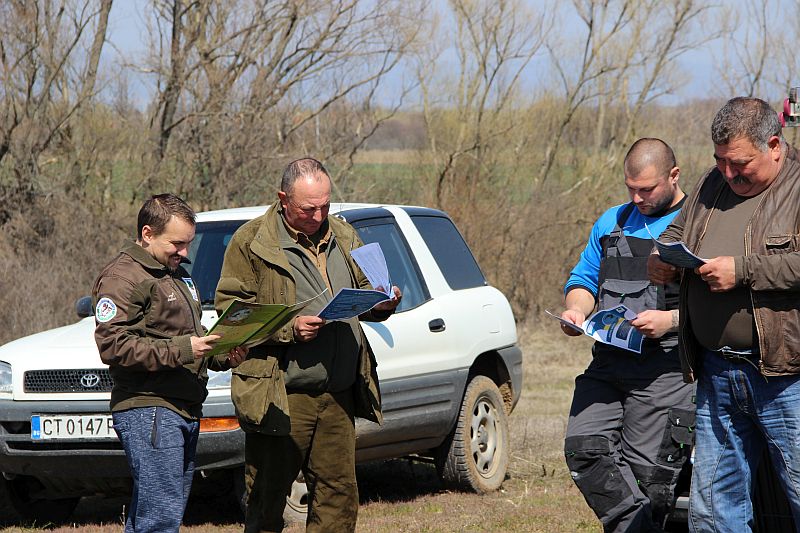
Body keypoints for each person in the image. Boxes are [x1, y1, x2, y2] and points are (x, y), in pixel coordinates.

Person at [215, 157, 402, 533]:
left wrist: (382, 301)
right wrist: (289, 328)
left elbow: (368, 289)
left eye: (325, 206)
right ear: (283, 199)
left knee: (338, 500)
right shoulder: (252, 243)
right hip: (281, 395)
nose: (319, 216)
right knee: (266, 501)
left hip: (338, 393)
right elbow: (234, 317)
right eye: (308, 208)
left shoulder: (343, 235)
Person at [648, 97, 800, 532]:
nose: (728, 173)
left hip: (786, 376)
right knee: (713, 510)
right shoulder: (712, 183)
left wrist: (744, 271)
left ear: (774, 144)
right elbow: (676, 233)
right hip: (717, 371)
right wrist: (662, 258)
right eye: (720, 161)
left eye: (740, 163)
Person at [560, 138, 695, 532]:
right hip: (607, 364)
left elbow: (717, 303)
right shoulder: (611, 222)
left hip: (666, 369)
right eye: (630, 188)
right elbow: (584, 279)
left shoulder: (696, 224)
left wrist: (669, 320)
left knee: (648, 480)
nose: (637, 198)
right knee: (584, 450)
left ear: (674, 175)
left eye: (647, 189)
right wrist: (575, 310)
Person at [92, 193, 246, 533]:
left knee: (153, 514)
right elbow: (114, 346)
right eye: (177, 243)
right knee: (160, 518)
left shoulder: (174, 273)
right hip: (150, 409)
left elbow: (191, 336)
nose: (185, 253)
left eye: (188, 243)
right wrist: (184, 349)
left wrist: (223, 352)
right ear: (147, 234)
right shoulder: (123, 278)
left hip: (183, 407)